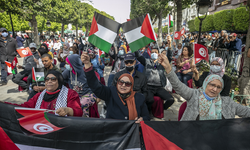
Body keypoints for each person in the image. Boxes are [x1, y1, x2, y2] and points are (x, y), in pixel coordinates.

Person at [158, 53, 250, 121]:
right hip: (192, 138)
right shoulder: (194, 95)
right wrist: (169, 68)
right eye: (212, 85)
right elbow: (178, 85)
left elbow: (246, 111)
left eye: (218, 87)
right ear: (205, 84)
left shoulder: (227, 102)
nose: (215, 89)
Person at [81, 52, 150, 122]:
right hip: (113, 131)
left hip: (132, 131)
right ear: (117, 83)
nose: (123, 85)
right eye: (121, 82)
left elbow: (146, 117)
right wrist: (87, 65)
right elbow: (95, 86)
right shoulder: (111, 93)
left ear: (131, 86)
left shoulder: (139, 98)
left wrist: (142, 120)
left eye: (127, 84)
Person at [6, 70, 83, 116]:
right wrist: (4, 105)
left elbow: (79, 112)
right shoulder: (39, 96)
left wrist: (68, 110)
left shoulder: (70, 94)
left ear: (59, 81)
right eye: (47, 79)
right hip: (41, 129)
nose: (49, 81)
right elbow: (24, 107)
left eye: (53, 79)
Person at [135, 48, 174, 114]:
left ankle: (162, 109)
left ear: (158, 54)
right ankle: (148, 112)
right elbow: (139, 56)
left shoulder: (162, 63)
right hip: (148, 87)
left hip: (159, 87)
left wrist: (170, 47)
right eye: (152, 52)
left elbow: (169, 57)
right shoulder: (146, 61)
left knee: (171, 99)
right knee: (150, 100)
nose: (154, 53)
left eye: (155, 52)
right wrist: (135, 47)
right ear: (150, 54)